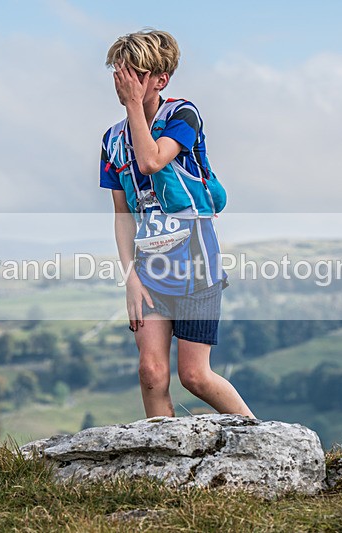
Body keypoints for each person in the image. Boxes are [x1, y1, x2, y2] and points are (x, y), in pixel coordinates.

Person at [100, 29, 254, 419]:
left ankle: (265, 438)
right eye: (120, 72)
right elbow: (122, 215)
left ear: (159, 79)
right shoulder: (112, 140)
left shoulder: (183, 115)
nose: (124, 82)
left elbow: (151, 160)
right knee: (151, 373)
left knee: (195, 376)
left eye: (134, 73)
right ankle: (161, 468)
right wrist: (130, 278)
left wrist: (134, 106)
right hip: (149, 269)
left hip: (196, 266)